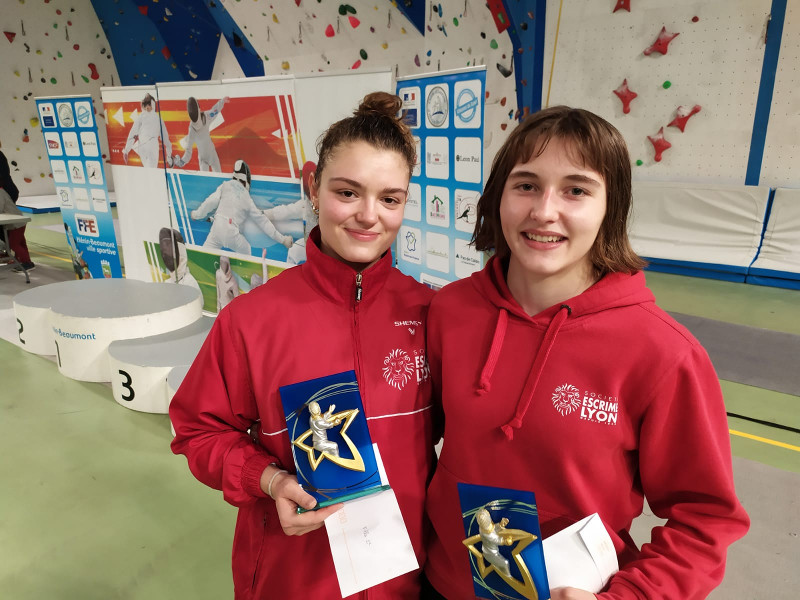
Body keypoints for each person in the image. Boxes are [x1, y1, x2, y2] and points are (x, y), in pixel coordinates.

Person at [422, 106, 749, 600]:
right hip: (440, 584)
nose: (544, 210)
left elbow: (705, 520)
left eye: (576, 189)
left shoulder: (663, 353)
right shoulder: (450, 311)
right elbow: (405, 435)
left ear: (609, 208)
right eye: (526, 184)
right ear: (498, 198)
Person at [170, 92, 438, 599]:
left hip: (403, 577)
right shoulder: (251, 319)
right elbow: (198, 432)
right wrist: (268, 480)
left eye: (389, 198)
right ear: (312, 186)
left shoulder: (429, 313)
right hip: (293, 576)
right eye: (347, 192)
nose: (367, 216)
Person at [190, 159, 293, 255]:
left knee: (206, 252)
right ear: (246, 180)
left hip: (217, 227)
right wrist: (283, 240)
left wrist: (196, 214)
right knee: (246, 249)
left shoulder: (225, 185)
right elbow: (263, 222)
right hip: (231, 231)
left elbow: (210, 202)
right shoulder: (247, 198)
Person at [173, 96, 228, 171]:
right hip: (205, 158)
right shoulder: (197, 125)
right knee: (207, 180)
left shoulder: (202, 119)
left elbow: (214, 111)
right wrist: (182, 161)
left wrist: (222, 101)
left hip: (210, 156)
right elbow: (215, 110)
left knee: (215, 178)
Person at [122, 93, 174, 168]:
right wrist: (169, 157)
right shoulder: (155, 118)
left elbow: (132, 134)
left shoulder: (143, 117)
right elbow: (166, 140)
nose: (147, 108)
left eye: (148, 105)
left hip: (144, 147)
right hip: (149, 147)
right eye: (146, 105)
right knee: (151, 171)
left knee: (148, 169)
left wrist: (126, 151)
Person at [1, 187, 34, 271]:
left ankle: (27, 263)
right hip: (16, 220)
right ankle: (21, 260)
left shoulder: (0, 192)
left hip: (16, 221)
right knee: (21, 243)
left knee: (14, 244)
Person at [158, 227, 199, 291]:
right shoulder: (167, 283)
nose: (165, 250)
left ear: (180, 251)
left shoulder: (189, 283)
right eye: (164, 246)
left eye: (168, 245)